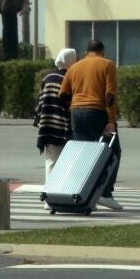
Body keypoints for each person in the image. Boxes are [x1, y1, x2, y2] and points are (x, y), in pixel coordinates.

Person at [58, 39, 123, 211]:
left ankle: (81, 193)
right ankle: (105, 193)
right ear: (102, 51)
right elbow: (110, 95)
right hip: (97, 112)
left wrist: (74, 107)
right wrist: (111, 120)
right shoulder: (107, 64)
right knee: (112, 151)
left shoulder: (74, 67)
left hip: (77, 112)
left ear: (86, 52)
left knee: (82, 155)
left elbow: (63, 94)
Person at [35, 48, 76, 191]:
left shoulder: (47, 77)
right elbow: (70, 102)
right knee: (67, 161)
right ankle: (60, 192)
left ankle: (49, 194)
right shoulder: (69, 78)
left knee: (51, 161)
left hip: (47, 124)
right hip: (63, 125)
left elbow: (40, 101)